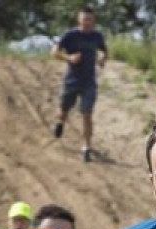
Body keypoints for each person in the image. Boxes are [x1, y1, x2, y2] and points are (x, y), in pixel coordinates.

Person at [51, 6, 107, 163]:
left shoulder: (97, 36)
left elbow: (103, 50)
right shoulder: (70, 35)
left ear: (93, 20)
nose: (87, 22)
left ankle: (86, 147)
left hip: (89, 82)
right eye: (84, 19)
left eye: (90, 19)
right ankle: (60, 122)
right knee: (64, 109)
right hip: (71, 80)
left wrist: (102, 58)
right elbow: (54, 52)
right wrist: (68, 58)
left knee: (87, 114)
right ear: (79, 19)